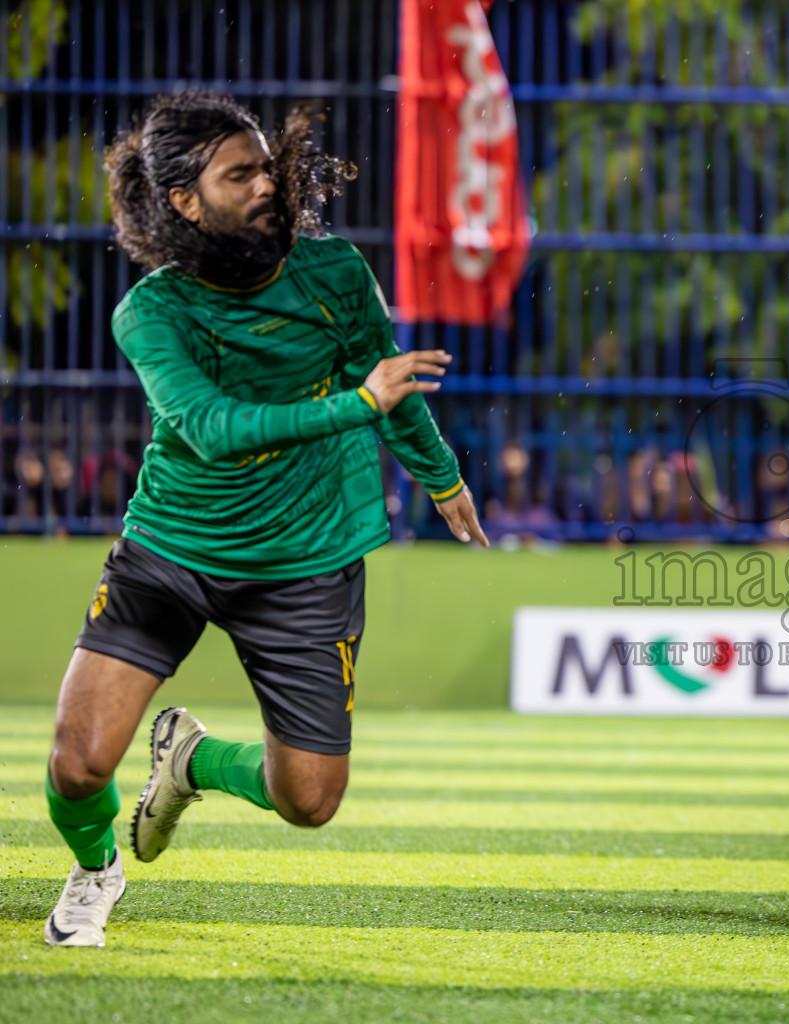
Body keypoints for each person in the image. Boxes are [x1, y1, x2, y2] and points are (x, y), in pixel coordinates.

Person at [42, 93, 489, 948]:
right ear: (184, 201)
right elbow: (211, 430)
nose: (267, 185)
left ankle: (193, 762)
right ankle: (97, 867)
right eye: (239, 173)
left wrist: (441, 477)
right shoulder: (152, 312)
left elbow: (386, 382)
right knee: (78, 762)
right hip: (174, 548)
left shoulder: (335, 273)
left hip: (307, 560)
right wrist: (358, 403)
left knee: (309, 802)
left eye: (267, 166)